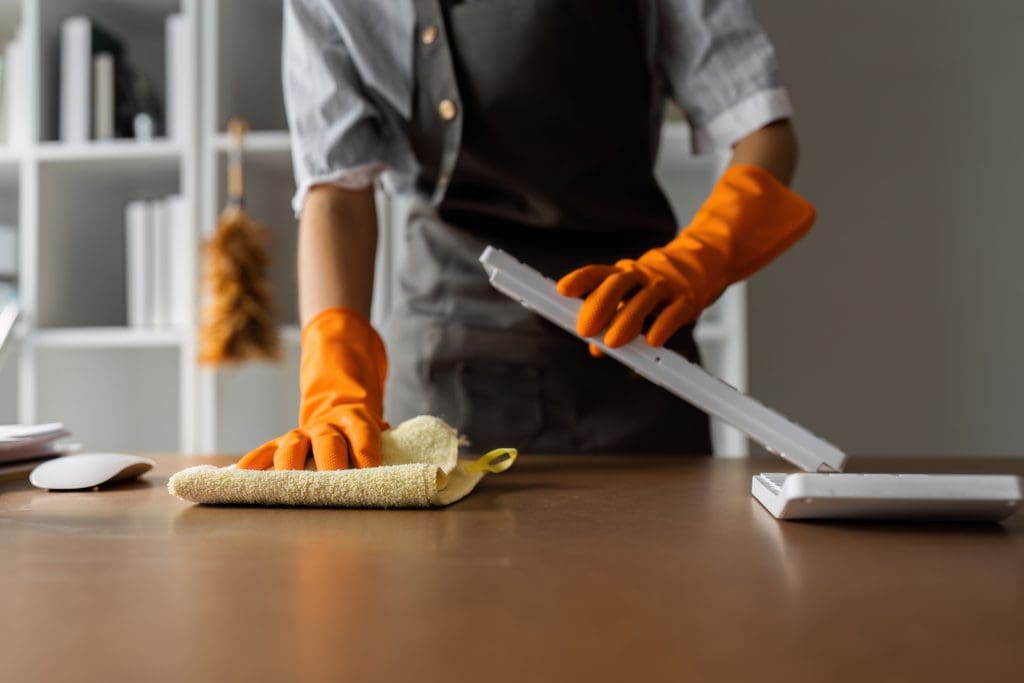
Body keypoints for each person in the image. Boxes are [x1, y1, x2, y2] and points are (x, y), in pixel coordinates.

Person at [238, 0, 815, 472]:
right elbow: (336, 191)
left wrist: (697, 260)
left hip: (637, 357)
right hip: (446, 373)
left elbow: (763, 129)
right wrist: (335, 376)